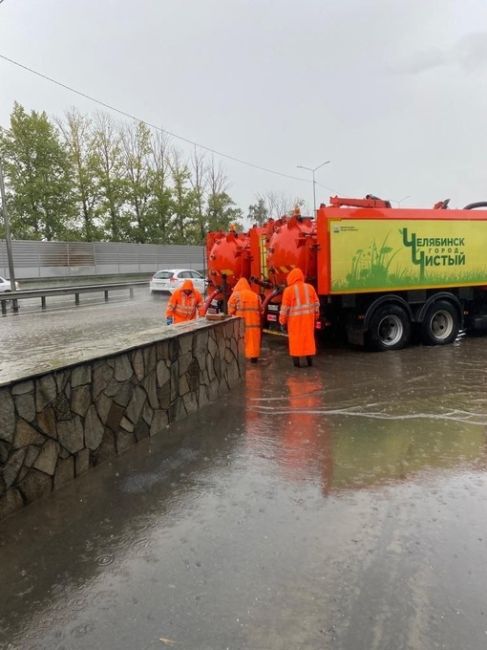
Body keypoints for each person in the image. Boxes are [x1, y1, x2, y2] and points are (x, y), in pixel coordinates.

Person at [279, 268, 320, 368]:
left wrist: (282, 321)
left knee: (295, 343)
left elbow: (284, 309)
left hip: (294, 324)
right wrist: (316, 317)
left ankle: (297, 366)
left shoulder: (288, 291)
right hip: (308, 322)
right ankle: (310, 363)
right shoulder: (310, 288)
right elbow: (316, 304)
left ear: (291, 278)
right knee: (308, 341)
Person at [227, 277, 262, 363]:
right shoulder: (256, 296)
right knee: (253, 343)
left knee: (241, 342)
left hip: (241, 325)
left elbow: (230, 311)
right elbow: (261, 310)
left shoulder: (235, 295)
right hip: (254, 325)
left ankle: (241, 361)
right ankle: (254, 359)